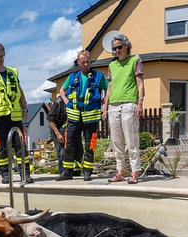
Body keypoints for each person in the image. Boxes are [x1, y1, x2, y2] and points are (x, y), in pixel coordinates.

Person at [0, 43, 33, 184]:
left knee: (20, 145)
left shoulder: (12, 72)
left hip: (15, 115)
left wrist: (25, 108)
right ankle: (5, 174)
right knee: (2, 146)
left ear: (5, 55)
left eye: (1, 56)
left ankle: (25, 174)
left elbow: (20, 91)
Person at [55, 50, 108, 181]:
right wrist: (66, 101)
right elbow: (62, 90)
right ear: (78, 62)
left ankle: (87, 171)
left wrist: (105, 102)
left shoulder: (98, 76)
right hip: (74, 117)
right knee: (70, 142)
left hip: (91, 117)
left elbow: (109, 89)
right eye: (82, 61)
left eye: (87, 61)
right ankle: (67, 171)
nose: (85, 64)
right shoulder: (72, 76)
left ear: (90, 62)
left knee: (90, 143)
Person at [103, 33, 145, 184]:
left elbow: (140, 83)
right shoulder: (111, 65)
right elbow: (109, 88)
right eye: (114, 48)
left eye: (120, 47)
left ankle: (134, 173)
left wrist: (140, 102)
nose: (117, 50)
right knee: (117, 141)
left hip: (129, 104)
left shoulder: (135, 60)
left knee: (131, 140)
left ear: (127, 46)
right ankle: (120, 172)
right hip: (113, 105)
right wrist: (105, 107)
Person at [47, 95, 67, 175]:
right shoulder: (59, 101)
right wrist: (58, 134)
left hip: (67, 129)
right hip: (57, 129)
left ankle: (71, 171)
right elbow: (50, 119)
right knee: (61, 151)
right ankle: (62, 172)